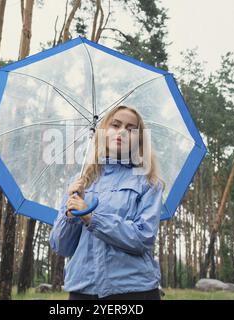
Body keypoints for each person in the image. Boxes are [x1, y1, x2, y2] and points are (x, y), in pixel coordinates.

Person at [49, 105, 165, 300]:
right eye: (115, 125)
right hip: (83, 290)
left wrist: (91, 217)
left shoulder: (148, 182)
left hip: (134, 291)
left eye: (131, 128)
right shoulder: (81, 182)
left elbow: (143, 237)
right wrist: (70, 216)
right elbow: (63, 247)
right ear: (103, 132)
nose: (122, 132)